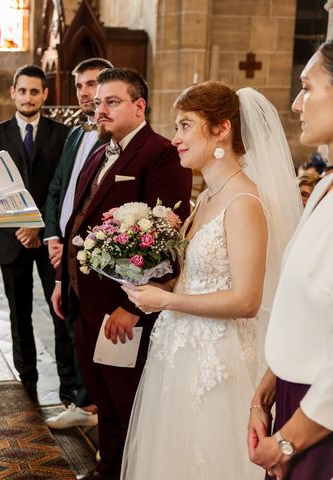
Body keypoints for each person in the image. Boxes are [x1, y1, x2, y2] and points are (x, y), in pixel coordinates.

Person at [119, 82, 302, 479]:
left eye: (185, 126)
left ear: (222, 129)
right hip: (179, 353)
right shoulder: (207, 197)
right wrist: (156, 288)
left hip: (217, 362)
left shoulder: (244, 203)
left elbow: (246, 300)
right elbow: (195, 281)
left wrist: (167, 302)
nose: (175, 138)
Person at [52, 68, 192, 479]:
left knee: (128, 401)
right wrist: (65, 281)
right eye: (97, 103)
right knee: (103, 399)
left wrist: (132, 306)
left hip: (123, 308)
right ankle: (109, 468)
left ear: (138, 105)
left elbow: (165, 238)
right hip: (83, 298)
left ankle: (132, 470)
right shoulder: (100, 151)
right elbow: (78, 218)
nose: (101, 110)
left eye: (111, 102)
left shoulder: (160, 152)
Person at [249, 40, 333, 480]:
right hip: (293, 394)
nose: (297, 102)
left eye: (308, 87)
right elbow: (304, 305)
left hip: (321, 421)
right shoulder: (323, 188)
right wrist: (270, 382)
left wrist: (288, 441)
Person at [0, 65, 74, 403]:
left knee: (60, 311)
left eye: (35, 91)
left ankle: (68, 386)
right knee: (18, 314)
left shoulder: (64, 135)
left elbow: (63, 189)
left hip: (50, 239)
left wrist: (40, 227)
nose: (28, 97)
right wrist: (20, 226)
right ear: (12, 92)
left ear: (45, 95)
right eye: (23, 91)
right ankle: (27, 382)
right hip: (11, 238)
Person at [43, 57, 113, 429]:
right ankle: (78, 400)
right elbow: (59, 187)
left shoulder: (114, 137)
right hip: (63, 245)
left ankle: (92, 405)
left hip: (92, 250)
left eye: (94, 84)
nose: (86, 93)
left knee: (87, 329)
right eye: (81, 86)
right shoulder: (74, 134)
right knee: (68, 325)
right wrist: (54, 235)